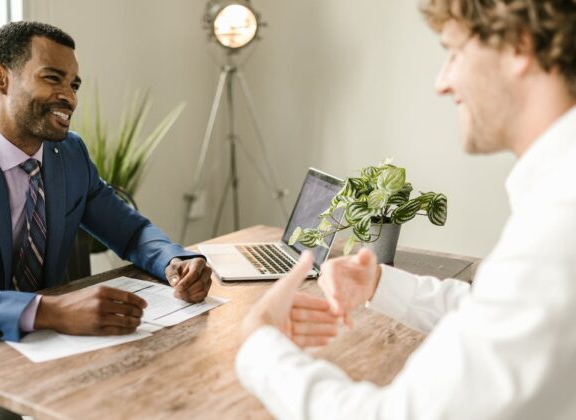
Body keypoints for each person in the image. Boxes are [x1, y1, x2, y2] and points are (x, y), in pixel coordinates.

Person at [236, 0, 576, 418]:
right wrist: (378, 284)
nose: (442, 81)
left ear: (518, 46)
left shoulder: (560, 223)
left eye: (453, 52)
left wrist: (258, 345)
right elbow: (497, 315)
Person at [0, 21, 212, 419]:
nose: (68, 97)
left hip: (42, 343)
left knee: (152, 383)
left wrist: (173, 260)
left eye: (74, 85)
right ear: (0, 78)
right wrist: (47, 310)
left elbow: (130, 230)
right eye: (52, 78)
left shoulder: (70, 155)